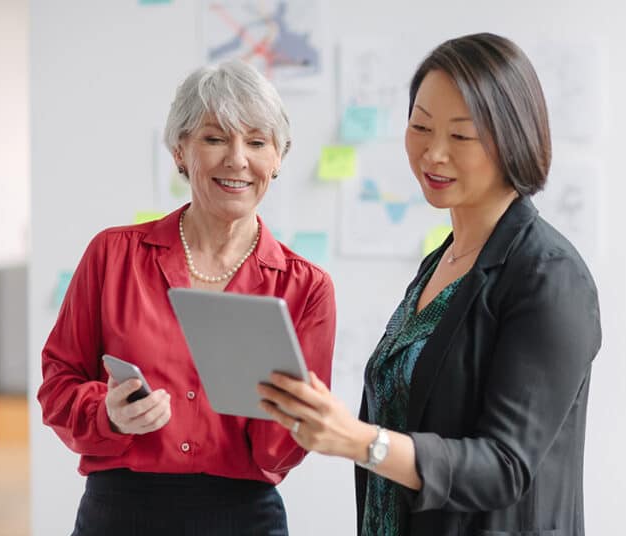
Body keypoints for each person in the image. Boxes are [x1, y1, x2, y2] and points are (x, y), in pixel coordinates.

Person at [258, 32, 602, 536]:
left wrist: (360, 441)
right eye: (420, 126)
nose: (433, 153)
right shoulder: (443, 261)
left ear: (513, 138)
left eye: (461, 136)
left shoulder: (549, 275)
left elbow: (504, 466)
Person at [37, 59, 336, 536]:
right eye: (215, 139)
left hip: (244, 518)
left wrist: (286, 414)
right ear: (181, 152)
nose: (237, 159)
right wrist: (106, 413)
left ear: (278, 158)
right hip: (120, 512)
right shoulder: (112, 255)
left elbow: (287, 447)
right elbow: (58, 383)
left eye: (257, 142)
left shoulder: (305, 286)